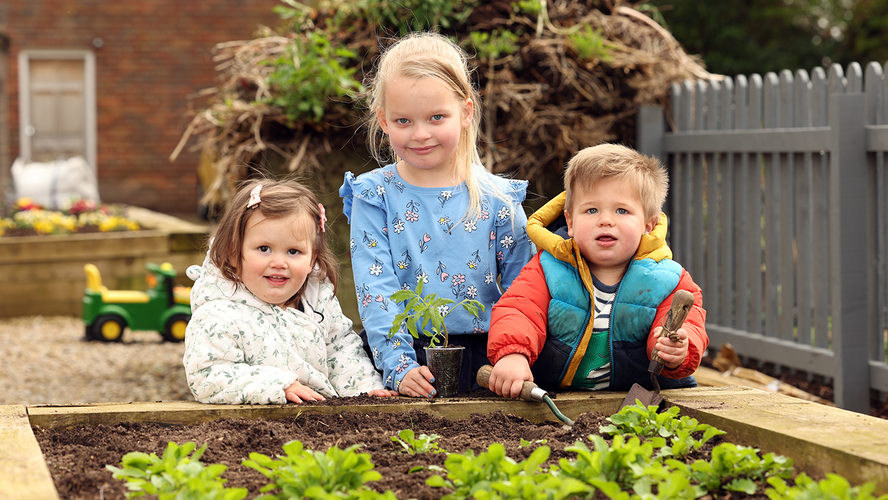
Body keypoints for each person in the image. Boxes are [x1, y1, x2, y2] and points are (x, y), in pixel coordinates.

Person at [340, 32, 534, 398]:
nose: (420, 134)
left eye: (436, 117)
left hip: (488, 359)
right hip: (406, 354)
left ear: (465, 112)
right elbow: (375, 289)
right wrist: (398, 365)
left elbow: (521, 288)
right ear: (382, 119)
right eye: (403, 121)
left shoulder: (498, 199)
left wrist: (514, 353)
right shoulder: (374, 195)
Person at [486, 143, 708, 398]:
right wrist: (513, 354)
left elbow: (690, 323)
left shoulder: (668, 279)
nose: (605, 220)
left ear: (649, 224)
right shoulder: (547, 268)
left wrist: (678, 349)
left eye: (622, 210)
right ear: (570, 222)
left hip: (647, 395)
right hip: (556, 396)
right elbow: (519, 310)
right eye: (591, 210)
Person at [184, 179, 399, 404]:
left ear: (312, 259)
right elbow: (208, 376)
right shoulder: (218, 314)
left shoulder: (317, 302)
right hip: (258, 425)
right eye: (264, 249)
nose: (279, 262)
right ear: (233, 253)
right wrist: (277, 385)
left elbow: (341, 351)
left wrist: (364, 390)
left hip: (319, 420)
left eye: (293, 251)